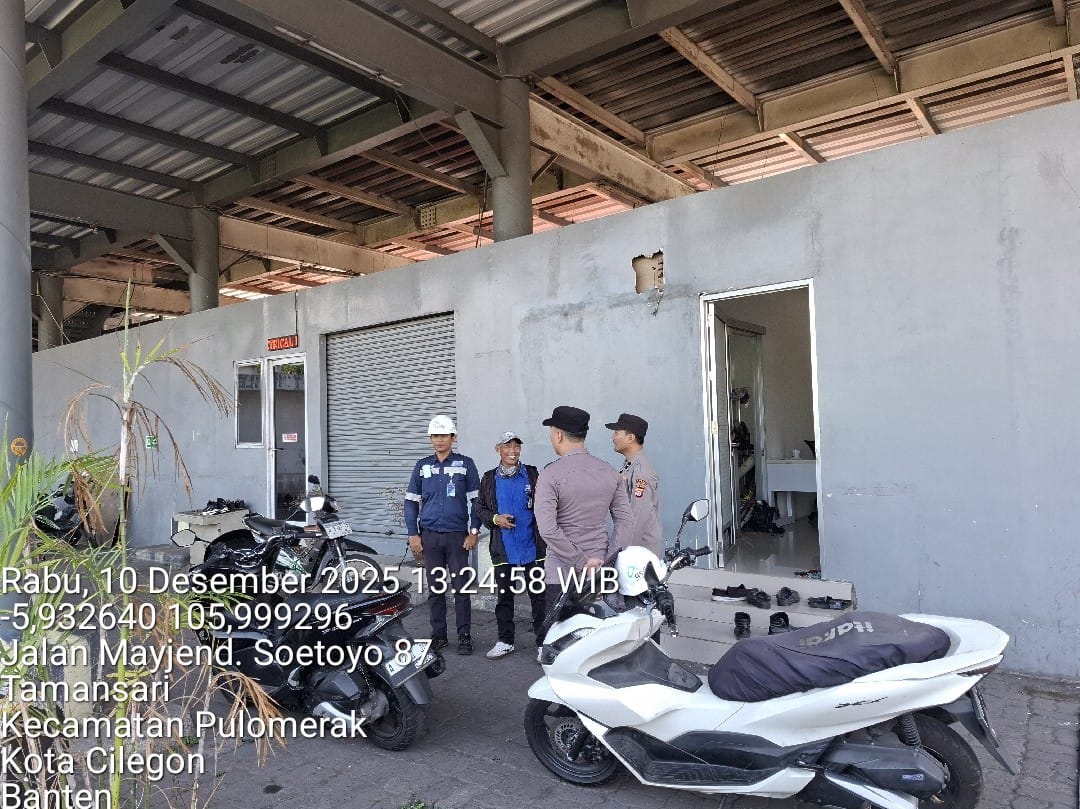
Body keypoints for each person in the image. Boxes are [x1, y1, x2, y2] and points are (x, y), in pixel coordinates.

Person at [534, 405, 633, 655]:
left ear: (558, 435)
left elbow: (547, 528)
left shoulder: (550, 474)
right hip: (600, 573)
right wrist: (607, 562)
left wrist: (580, 561)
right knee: (597, 647)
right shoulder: (609, 471)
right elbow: (625, 521)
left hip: (561, 575)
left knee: (558, 649)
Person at [404, 415, 481, 655]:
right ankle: (439, 636)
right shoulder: (422, 466)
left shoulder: (465, 464)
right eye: (435, 436)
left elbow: (477, 502)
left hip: (457, 537)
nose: (439, 440)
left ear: (453, 438)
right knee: (436, 589)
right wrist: (413, 534)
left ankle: (464, 636)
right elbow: (410, 502)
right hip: (430, 538)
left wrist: (474, 532)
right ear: (430, 438)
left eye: (444, 435)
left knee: (461, 588)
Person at [473, 431, 547, 659]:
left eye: (516, 446)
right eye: (507, 446)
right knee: (504, 597)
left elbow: (546, 503)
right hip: (503, 548)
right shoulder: (489, 478)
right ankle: (505, 641)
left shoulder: (532, 474)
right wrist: (495, 519)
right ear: (498, 449)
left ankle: (543, 643)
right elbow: (479, 508)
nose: (512, 451)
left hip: (532, 547)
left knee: (539, 597)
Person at [606, 412, 663, 558]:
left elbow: (637, 517)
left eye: (617, 433)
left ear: (630, 438)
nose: (613, 437)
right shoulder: (629, 465)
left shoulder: (641, 473)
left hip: (639, 555)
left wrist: (622, 553)